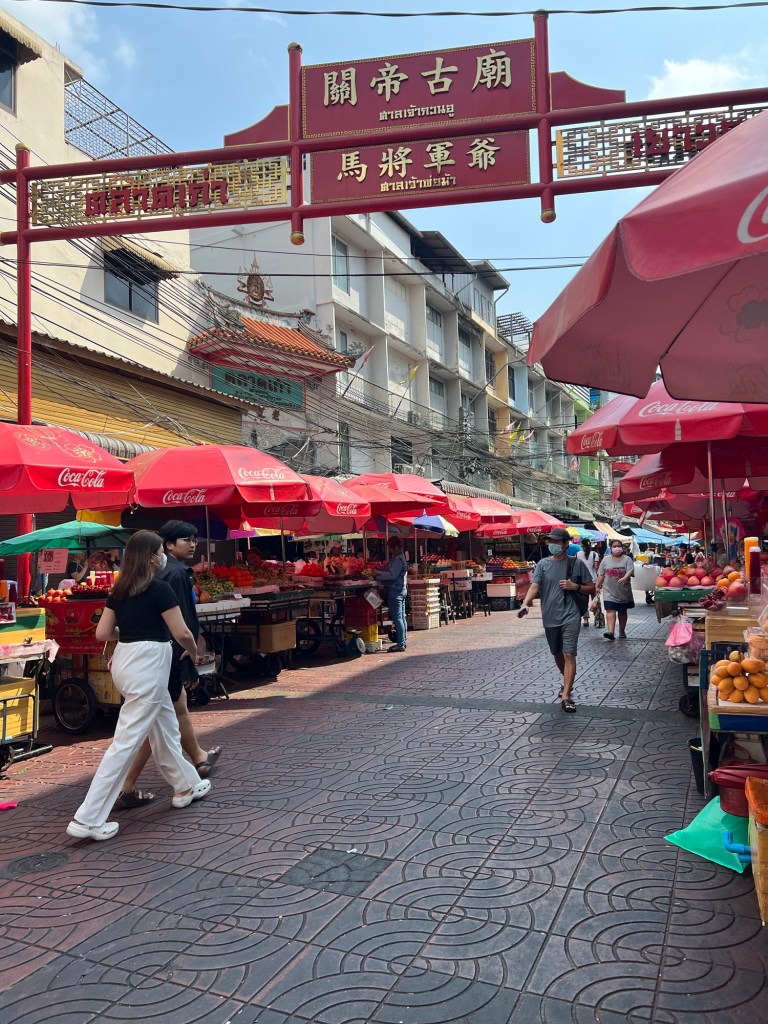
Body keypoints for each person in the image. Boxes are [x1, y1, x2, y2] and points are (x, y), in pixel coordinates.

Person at [67, 531, 211, 842]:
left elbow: (103, 633)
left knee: (164, 724)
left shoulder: (119, 590)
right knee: (126, 742)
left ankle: (186, 784)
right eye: (160, 551)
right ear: (151, 557)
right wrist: (194, 651)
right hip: (150, 662)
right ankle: (88, 818)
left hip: (125, 660)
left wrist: (131, 632)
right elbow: (182, 632)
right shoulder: (160, 589)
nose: (163, 557)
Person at [115, 521, 221, 810]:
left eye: (194, 539)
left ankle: (195, 763)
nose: (193, 544)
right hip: (164, 658)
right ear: (166, 546)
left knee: (169, 714)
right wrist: (190, 656)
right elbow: (181, 627)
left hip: (142, 661)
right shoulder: (172, 576)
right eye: (186, 539)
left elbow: (111, 629)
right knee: (153, 723)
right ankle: (125, 786)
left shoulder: (131, 583)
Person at [517, 527, 595, 713]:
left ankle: (566, 695)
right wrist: (525, 603)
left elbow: (591, 588)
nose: (553, 545)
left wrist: (575, 586)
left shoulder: (576, 564)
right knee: (557, 653)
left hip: (571, 614)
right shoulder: (543, 564)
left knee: (569, 653)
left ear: (566, 544)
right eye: (550, 541)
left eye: (557, 541)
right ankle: (568, 680)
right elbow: (534, 586)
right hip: (550, 615)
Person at [596, 541, 635, 641]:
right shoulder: (605, 560)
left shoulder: (627, 559)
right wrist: (597, 586)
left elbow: (630, 571)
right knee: (610, 610)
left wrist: (625, 578)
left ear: (622, 548)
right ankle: (611, 632)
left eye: (619, 546)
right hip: (608, 590)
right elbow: (601, 574)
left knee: (622, 611)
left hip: (623, 591)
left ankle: (622, 631)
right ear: (611, 548)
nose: (617, 548)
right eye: (614, 546)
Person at [376, 537, 408, 653]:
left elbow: (392, 575)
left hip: (396, 590)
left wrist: (377, 574)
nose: (389, 550)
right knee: (401, 618)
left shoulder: (398, 559)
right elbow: (389, 570)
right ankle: (402, 641)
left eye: (390, 547)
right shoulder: (397, 558)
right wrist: (379, 568)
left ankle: (400, 644)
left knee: (398, 618)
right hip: (400, 590)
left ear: (396, 547)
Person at [576, 538, 599, 626]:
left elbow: (576, 566)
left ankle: (585, 619)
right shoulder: (594, 554)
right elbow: (596, 568)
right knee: (595, 599)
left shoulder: (577, 554)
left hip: (582, 580)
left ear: (582, 545)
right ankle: (597, 616)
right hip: (593, 580)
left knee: (583, 600)